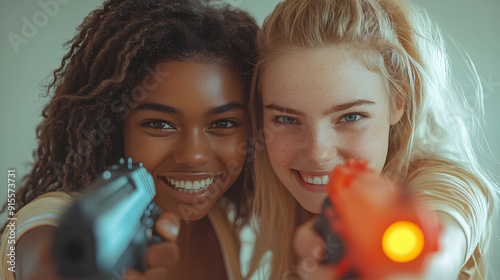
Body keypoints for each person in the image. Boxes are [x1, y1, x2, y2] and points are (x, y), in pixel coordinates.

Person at [0, 0, 258, 279]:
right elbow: (42, 259)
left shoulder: (222, 224)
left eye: (223, 123)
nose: (194, 155)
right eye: (160, 124)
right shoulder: (59, 219)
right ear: (112, 126)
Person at [247, 0, 498, 279]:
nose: (318, 153)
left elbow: (438, 255)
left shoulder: (449, 184)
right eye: (286, 119)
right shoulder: (270, 195)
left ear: (398, 101)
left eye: (351, 117)